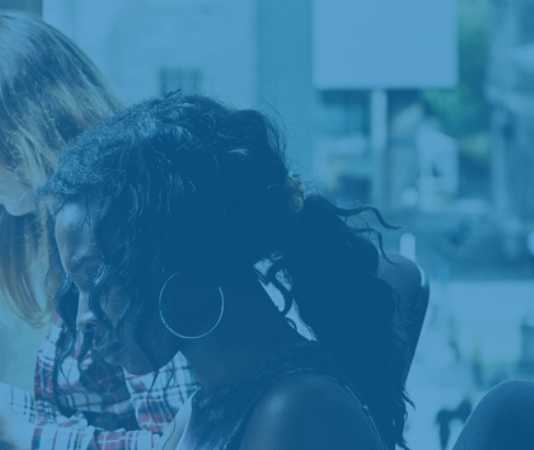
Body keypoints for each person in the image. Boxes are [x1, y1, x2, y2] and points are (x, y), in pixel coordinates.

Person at [40, 93, 411, 450]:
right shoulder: (210, 401)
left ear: (176, 255)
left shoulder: (294, 413)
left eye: (96, 279)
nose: (84, 317)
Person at [0, 12, 198, 450]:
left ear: (14, 125)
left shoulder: (127, 234)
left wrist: (20, 435)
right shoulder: (76, 232)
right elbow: (95, 418)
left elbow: (182, 442)